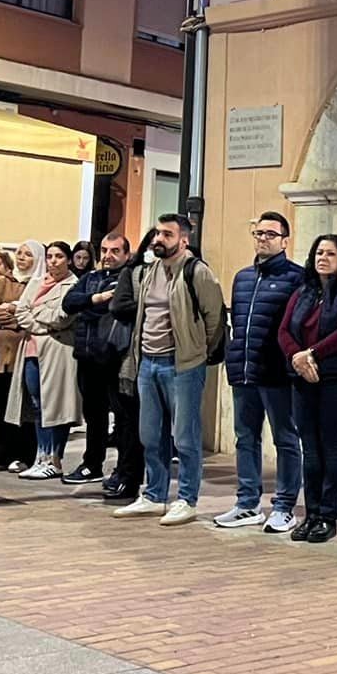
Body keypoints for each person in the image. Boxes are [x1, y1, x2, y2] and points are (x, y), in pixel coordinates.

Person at [110, 214, 226, 525]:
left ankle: (187, 499)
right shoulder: (150, 271)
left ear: (183, 240)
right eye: (158, 233)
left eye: (167, 234)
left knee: (184, 436)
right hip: (148, 362)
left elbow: (214, 319)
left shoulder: (197, 272)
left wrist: (197, 352)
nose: (159, 239)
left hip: (182, 364)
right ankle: (154, 495)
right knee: (150, 434)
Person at [218, 212, 304, 531]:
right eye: (258, 233)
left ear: (284, 240)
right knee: (245, 438)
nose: (263, 239)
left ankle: (284, 506)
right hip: (244, 370)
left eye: (270, 234)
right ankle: (247, 503)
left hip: (277, 373)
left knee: (285, 438)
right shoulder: (242, 277)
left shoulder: (297, 278)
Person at [277, 233, 337, 542]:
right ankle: (311, 512)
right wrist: (297, 358)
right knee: (309, 448)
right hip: (302, 375)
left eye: (330, 254)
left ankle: (328, 515)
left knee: (332, 446)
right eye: (319, 253)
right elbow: (284, 329)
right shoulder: (304, 292)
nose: (322, 258)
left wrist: (312, 354)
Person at [64, 232, 138, 492]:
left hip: (114, 358)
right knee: (93, 415)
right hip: (86, 356)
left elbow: (118, 308)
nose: (108, 256)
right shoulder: (91, 278)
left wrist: (92, 305)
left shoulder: (128, 278)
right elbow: (69, 302)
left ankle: (124, 470)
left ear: (126, 254)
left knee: (123, 417)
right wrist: (96, 299)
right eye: (105, 250)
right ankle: (91, 464)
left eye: (115, 251)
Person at [7, 241, 79, 479]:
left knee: (55, 405)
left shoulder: (73, 285)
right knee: (37, 403)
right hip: (32, 349)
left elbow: (62, 317)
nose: (53, 261)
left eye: (59, 256)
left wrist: (35, 317)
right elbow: (21, 313)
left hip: (57, 351)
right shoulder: (36, 282)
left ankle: (54, 458)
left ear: (67, 259)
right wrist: (40, 324)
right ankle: (41, 455)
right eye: (50, 256)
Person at [0, 243, 37, 474]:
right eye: (20, 253)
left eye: (28, 254)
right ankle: (0, 454)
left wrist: (16, 314)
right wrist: (13, 313)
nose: (22, 258)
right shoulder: (3, 282)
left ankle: (23, 455)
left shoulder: (36, 284)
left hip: (22, 354)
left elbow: (31, 316)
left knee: (21, 408)